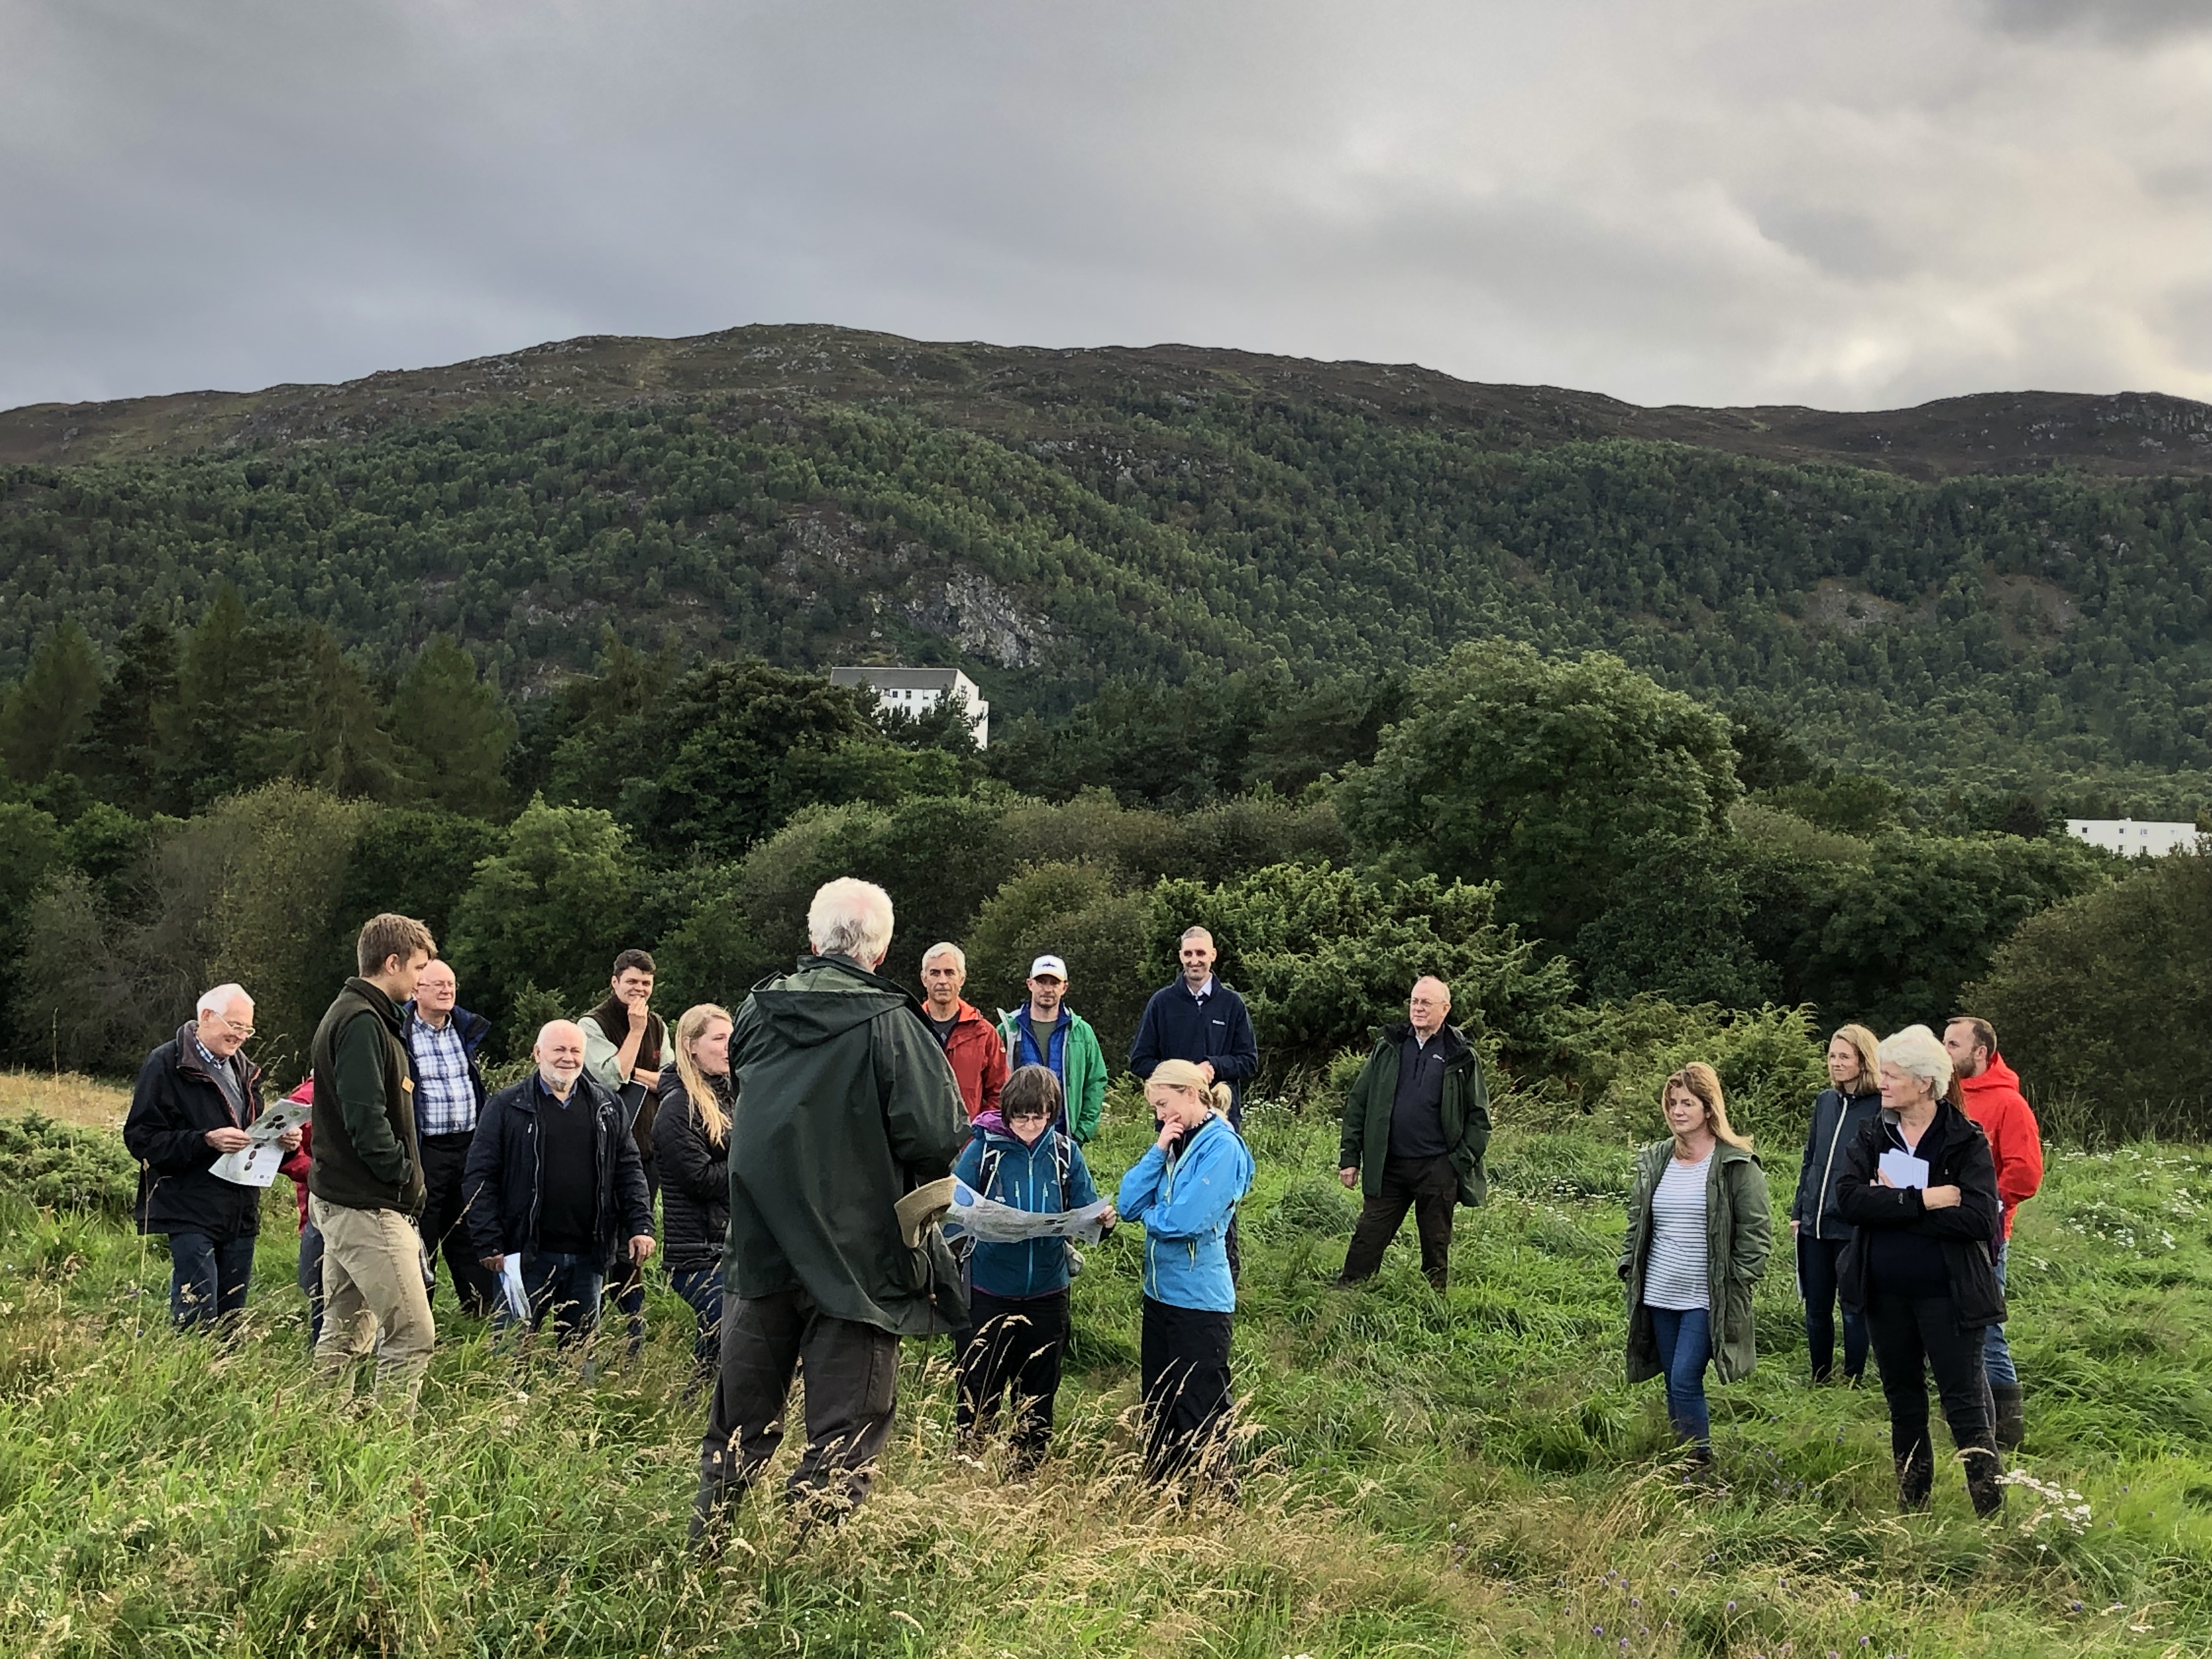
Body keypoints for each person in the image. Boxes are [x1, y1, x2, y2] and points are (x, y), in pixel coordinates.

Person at [693, 878, 968, 1537]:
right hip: (857, 1262)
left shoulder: (756, 1013)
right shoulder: (894, 1024)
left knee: (738, 1427)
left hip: (760, 1252)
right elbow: (937, 1137)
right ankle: (806, 1574)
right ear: (882, 951)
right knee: (843, 1437)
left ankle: (706, 1557)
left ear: (813, 940)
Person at [1837, 1025, 2007, 1517]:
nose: (1882, 1084)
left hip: (1948, 1297)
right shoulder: (1873, 1132)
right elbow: (1849, 1199)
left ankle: (1993, 1518)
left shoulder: (1964, 1139)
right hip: (1885, 1294)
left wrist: (1889, 1205)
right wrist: (1924, 1200)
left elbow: (1978, 1217)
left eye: (1892, 1076)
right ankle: (1912, 1511)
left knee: (1966, 1409)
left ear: (1925, 1083)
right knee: (1903, 1404)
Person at [950, 1065, 1110, 1471]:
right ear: (1007, 1113)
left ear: (1052, 1113)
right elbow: (951, 1213)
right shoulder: (982, 1151)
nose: (1029, 1125)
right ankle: (969, 1470)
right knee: (978, 1388)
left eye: (1039, 1116)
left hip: (1047, 1292)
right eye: (1021, 1116)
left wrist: (1101, 1222)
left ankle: (1026, 1475)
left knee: (1038, 1393)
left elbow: (1088, 1212)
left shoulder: (1065, 1154)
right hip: (987, 1290)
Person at [308, 914, 437, 1407]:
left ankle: (320, 1434)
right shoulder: (362, 1022)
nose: (421, 978)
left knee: (343, 1336)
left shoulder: (358, 1015)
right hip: (367, 1205)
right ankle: (389, 1447)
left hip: (344, 1200)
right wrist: (405, 1178)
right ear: (391, 963)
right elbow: (366, 1120)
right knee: (411, 1332)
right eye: (418, 968)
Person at [464, 1020, 655, 1349]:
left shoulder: (607, 1108)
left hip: (588, 1255)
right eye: (559, 1050)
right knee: (511, 1354)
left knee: (579, 1360)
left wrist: (640, 1225)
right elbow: (480, 1177)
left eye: (575, 1051)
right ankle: (511, 1404)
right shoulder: (506, 1106)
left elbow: (629, 1171)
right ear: (538, 1053)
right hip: (523, 1255)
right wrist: (488, 1241)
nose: (568, 1058)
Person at [1618, 1064, 1772, 1471]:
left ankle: (1700, 1463)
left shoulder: (1737, 1165)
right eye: (1672, 1103)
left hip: (1707, 1296)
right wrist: (1627, 1264)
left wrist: (1737, 1282)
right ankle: (1678, 1462)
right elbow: (1638, 1219)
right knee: (1673, 1381)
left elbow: (1756, 1235)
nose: (1677, 1111)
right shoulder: (1657, 1159)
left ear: (1709, 1107)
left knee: (1686, 1378)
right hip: (1659, 1290)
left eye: (1688, 1103)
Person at [122, 983, 299, 1331]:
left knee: (232, 1317)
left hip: (240, 1210)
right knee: (197, 1315)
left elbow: (252, 1135)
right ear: (206, 1017)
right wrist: (206, 1141)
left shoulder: (246, 1071)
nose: (241, 1037)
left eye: (247, 1029)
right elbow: (141, 1138)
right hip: (189, 1206)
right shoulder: (165, 1064)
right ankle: (188, 1377)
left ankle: (223, 1380)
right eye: (235, 1026)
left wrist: (280, 1141)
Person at [1116, 1058, 1254, 1492]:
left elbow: (1184, 1221)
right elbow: (1126, 1203)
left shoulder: (1222, 1147)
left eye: (1164, 1104)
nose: (1160, 1115)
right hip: (1159, 1294)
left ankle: (1215, 1501)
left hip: (1200, 1301)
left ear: (1191, 1094)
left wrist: (1151, 1216)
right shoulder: (1173, 1141)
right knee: (1159, 1403)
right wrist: (1158, 1149)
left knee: (1199, 1405)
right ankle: (1162, 1496)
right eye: (1156, 1108)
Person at [1334, 976, 1491, 1293]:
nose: (1418, 1009)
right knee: (1369, 1234)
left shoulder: (1460, 1055)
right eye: (1414, 1002)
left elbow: (1480, 1118)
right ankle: (1347, 1296)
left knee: (1436, 1241)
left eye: (1426, 1003)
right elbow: (1359, 1102)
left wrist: (1457, 1162)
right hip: (1389, 1164)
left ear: (1445, 1009)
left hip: (1437, 1167)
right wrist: (1350, 1157)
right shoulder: (1389, 1046)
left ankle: (1433, 1302)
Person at [1945, 1015, 2043, 1452]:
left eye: (1953, 1044)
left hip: (1986, 1236)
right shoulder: (1945, 1095)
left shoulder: (2008, 1104)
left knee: (1985, 1330)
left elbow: (2026, 1175)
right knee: (1948, 1326)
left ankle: (2007, 1428)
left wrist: (1979, 1199)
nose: (1944, 1052)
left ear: (1980, 1052)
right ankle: (1968, 1418)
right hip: (1944, 1229)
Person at [580, 949, 666, 1355]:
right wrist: (633, 1034)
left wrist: (634, 1071)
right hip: (601, 1151)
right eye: (632, 982)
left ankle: (633, 1324)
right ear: (615, 982)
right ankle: (587, 1320)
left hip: (647, 1150)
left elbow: (672, 1080)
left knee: (637, 1237)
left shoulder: (661, 1025)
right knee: (603, 1235)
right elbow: (609, 1078)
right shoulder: (592, 1024)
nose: (639, 991)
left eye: (646, 984)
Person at [1790, 1024, 1883, 1385]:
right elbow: (1810, 1157)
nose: (1836, 1063)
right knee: (1816, 1308)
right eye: (1832, 1056)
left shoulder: (1881, 1107)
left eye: (1845, 1056)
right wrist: (1800, 1209)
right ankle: (1820, 1376)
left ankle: (1855, 1378)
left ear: (1863, 1060)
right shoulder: (1825, 1102)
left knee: (1852, 1309)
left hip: (1852, 1224)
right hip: (1814, 1223)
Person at [403, 958, 497, 1318]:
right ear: (416, 991)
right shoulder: (402, 1031)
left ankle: (481, 1310)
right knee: (421, 1232)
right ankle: (418, 1315)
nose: (447, 991)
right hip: (426, 1149)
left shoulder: (463, 1027)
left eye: (451, 984)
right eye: (437, 984)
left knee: (470, 1230)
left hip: (468, 1146)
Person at [658, 1002, 735, 1386]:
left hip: (731, 1247)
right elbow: (700, 1179)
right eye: (718, 1039)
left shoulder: (731, 1096)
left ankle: (691, 1409)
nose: (727, 1047)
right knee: (729, 1327)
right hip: (695, 1253)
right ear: (690, 1046)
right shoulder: (677, 1107)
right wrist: (748, 1164)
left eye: (731, 1039)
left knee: (716, 1337)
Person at [1128, 927, 1260, 1126]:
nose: (1194, 960)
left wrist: (1213, 1066)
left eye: (1201, 953)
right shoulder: (1162, 1003)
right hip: (1174, 1121)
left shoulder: (1232, 1004)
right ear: (1181, 956)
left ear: (1213, 955)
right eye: (1188, 954)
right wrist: (1179, 1074)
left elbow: (1249, 1061)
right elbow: (1139, 1061)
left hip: (1222, 1117)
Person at [996, 955, 1108, 1145]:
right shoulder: (1008, 1030)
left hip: (1065, 1138)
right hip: (1018, 1135)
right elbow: (994, 1082)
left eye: (1054, 983)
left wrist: (1082, 1131)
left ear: (1064, 987)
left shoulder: (1081, 1031)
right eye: (1041, 982)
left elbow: (1096, 1082)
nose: (1047, 989)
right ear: (1030, 984)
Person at [919, 942, 1007, 1122]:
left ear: (962, 978)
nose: (942, 981)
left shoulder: (984, 1033)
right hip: (919, 1145)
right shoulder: (909, 1027)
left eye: (949, 973)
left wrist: (980, 1130)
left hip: (968, 1144)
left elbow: (1000, 1094)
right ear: (924, 979)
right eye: (935, 973)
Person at [275, 1080, 321, 1347]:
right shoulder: (307, 1097)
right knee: (322, 1294)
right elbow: (287, 1153)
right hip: (319, 1211)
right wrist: (322, 1175)